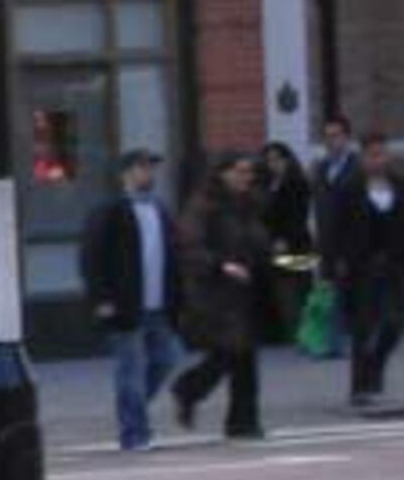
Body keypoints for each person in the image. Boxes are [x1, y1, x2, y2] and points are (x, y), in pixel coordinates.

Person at [77, 147, 182, 452]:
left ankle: (133, 411)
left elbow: (171, 256)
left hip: (158, 304)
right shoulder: (110, 210)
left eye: (151, 168)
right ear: (126, 174)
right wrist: (101, 298)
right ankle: (134, 432)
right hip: (126, 304)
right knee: (131, 369)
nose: (148, 173)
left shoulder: (160, 210)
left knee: (167, 358)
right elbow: (92, 257)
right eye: (142, 167)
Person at [168, 151, 271, 441]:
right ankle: (189, 390)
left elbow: (258, 242)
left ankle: (242, 421)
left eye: (248, 172)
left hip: (243, 292)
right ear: (222, 173)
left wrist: (280, 259)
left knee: (243, 356)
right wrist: (220, 265)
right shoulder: (204, 206)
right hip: (214, 293)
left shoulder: (247, 205)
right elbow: (189, 247)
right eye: (239, 171)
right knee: (231, 353)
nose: (245, 178)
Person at [325, 132, 404, 409]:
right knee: (362, 327)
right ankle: (359, 387)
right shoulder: (349, 187)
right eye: (373, 155)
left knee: (395, 323)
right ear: (363, 156)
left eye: (383, 154)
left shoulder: (402, 186)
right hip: (362, 268)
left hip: (395, 265)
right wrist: (332, 267)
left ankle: (375, 365)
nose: (379, 160)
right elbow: (334, 230)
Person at [311, 115, 360, 356]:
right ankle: (330, 343)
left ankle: (356, 342)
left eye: (336, 136)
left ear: (347, 138)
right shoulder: (321, 169)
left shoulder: (357, 169)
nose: (331, 142)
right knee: (329, 294)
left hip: (350, 243)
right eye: (327, 137)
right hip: (326, 243)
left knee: (353, 295)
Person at [256, 140, 314, 345]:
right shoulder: (268, 185)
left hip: (297, 246)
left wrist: (285, 239)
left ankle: (302, 334)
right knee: (283, 291)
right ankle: (290, 334)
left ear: (287, 160)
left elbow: (298, 216)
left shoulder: (297, 183)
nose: (273, 164)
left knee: (296, 291)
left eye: (277, 159)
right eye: (269, 160)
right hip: (275, 246)